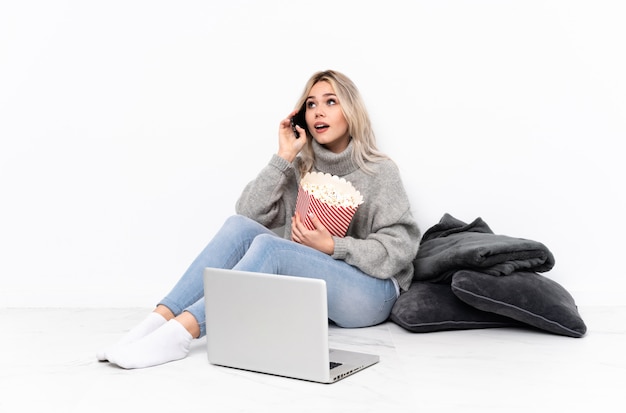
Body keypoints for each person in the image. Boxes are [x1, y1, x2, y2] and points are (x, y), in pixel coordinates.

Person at [97, 69, 421, 369]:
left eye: (331, 102)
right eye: (311, 104)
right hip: (322, 291)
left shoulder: (379, 171)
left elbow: (402, 247)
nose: (318, 111)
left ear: (351, 111)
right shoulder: (301, 168)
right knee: (238, 227)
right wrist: (284, 156)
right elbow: (248, 214)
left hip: (374, 292)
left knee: (272, 248)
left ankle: (182, 334)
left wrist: (334, 246)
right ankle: (156, 322)